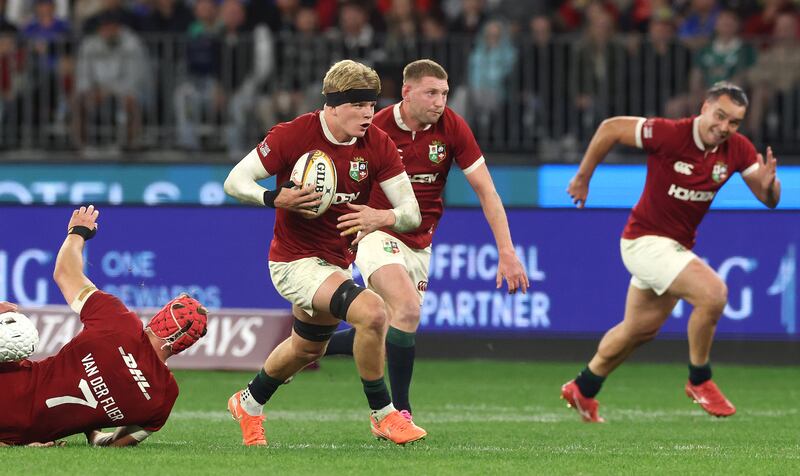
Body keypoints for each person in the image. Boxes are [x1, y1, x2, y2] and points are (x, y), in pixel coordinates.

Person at [223, 59, 426, 446]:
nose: (368, 113)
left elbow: (411, 212)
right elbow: (235, 181)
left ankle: (248, 402)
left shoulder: (377, 143)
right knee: (374, 312)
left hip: (334, 262)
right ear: (332, 105)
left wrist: (379, 216)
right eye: (357, 105)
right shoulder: (294, 135)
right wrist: (274, 196)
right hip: (292, 261)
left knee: (305, 347)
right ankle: (384, 414)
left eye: (371, 104)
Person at [323, 59, 530, 421]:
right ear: (407, 92)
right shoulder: (376, 126)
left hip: (421, 240)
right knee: (408, 308)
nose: (440, 102)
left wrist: (507, 252)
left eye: (445, 94)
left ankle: (310, 348)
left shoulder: (452, 127)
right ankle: (397, 412)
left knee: (387, 328)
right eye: (431, 93)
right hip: (375, 230)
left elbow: (487, 191)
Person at [562, 82, 781, 422]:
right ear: (704, 108)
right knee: (713, 294)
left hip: (673, 249)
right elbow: (610, 129)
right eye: (719, 116)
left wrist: (771, 187)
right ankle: (700, 379)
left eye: (734, 122)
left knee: (639, 329)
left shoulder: (736, 149)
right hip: (644, 241)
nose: (724, 127)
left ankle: (583, 388)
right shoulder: (670, 133)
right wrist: (582, 177)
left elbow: (768, 200)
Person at [0, 205, 209, 446]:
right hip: (21, 434)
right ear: (184, 344)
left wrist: (77, 231)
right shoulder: (162, 399)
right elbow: (111, 443)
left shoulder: (119, 322)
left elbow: (65, 273)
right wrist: (93, 430)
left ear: (162, 317)